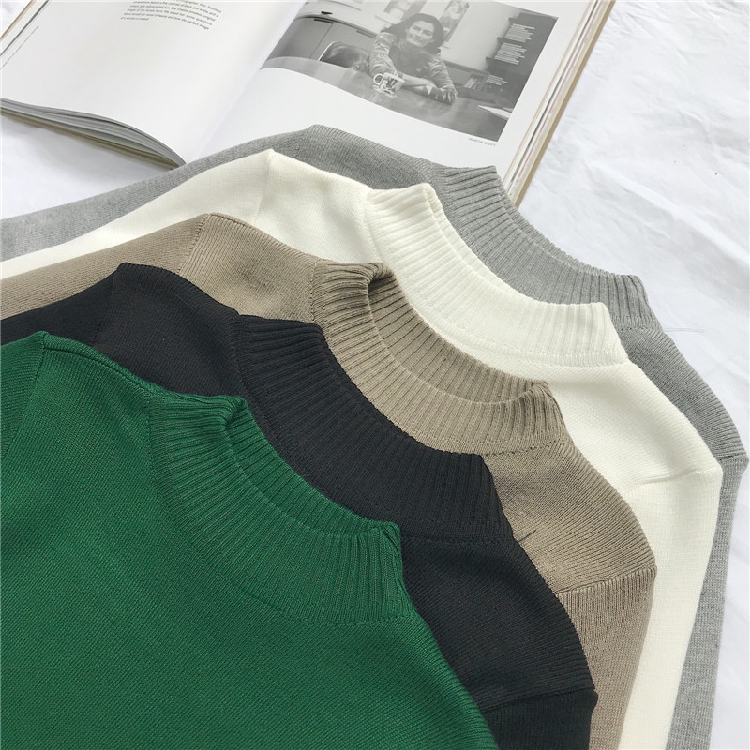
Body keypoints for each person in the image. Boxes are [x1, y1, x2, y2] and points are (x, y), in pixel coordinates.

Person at [367, 13, 458, 104]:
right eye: (416, 28)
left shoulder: (433, 59)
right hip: (367, 88)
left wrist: (402, 84)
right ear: (407, 29)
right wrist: (425, 83)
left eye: (427, 33)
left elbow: (451, 94)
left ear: (432, 39)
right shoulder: (387, 38)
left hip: (400, 101)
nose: (419, 35)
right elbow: (379, 71)